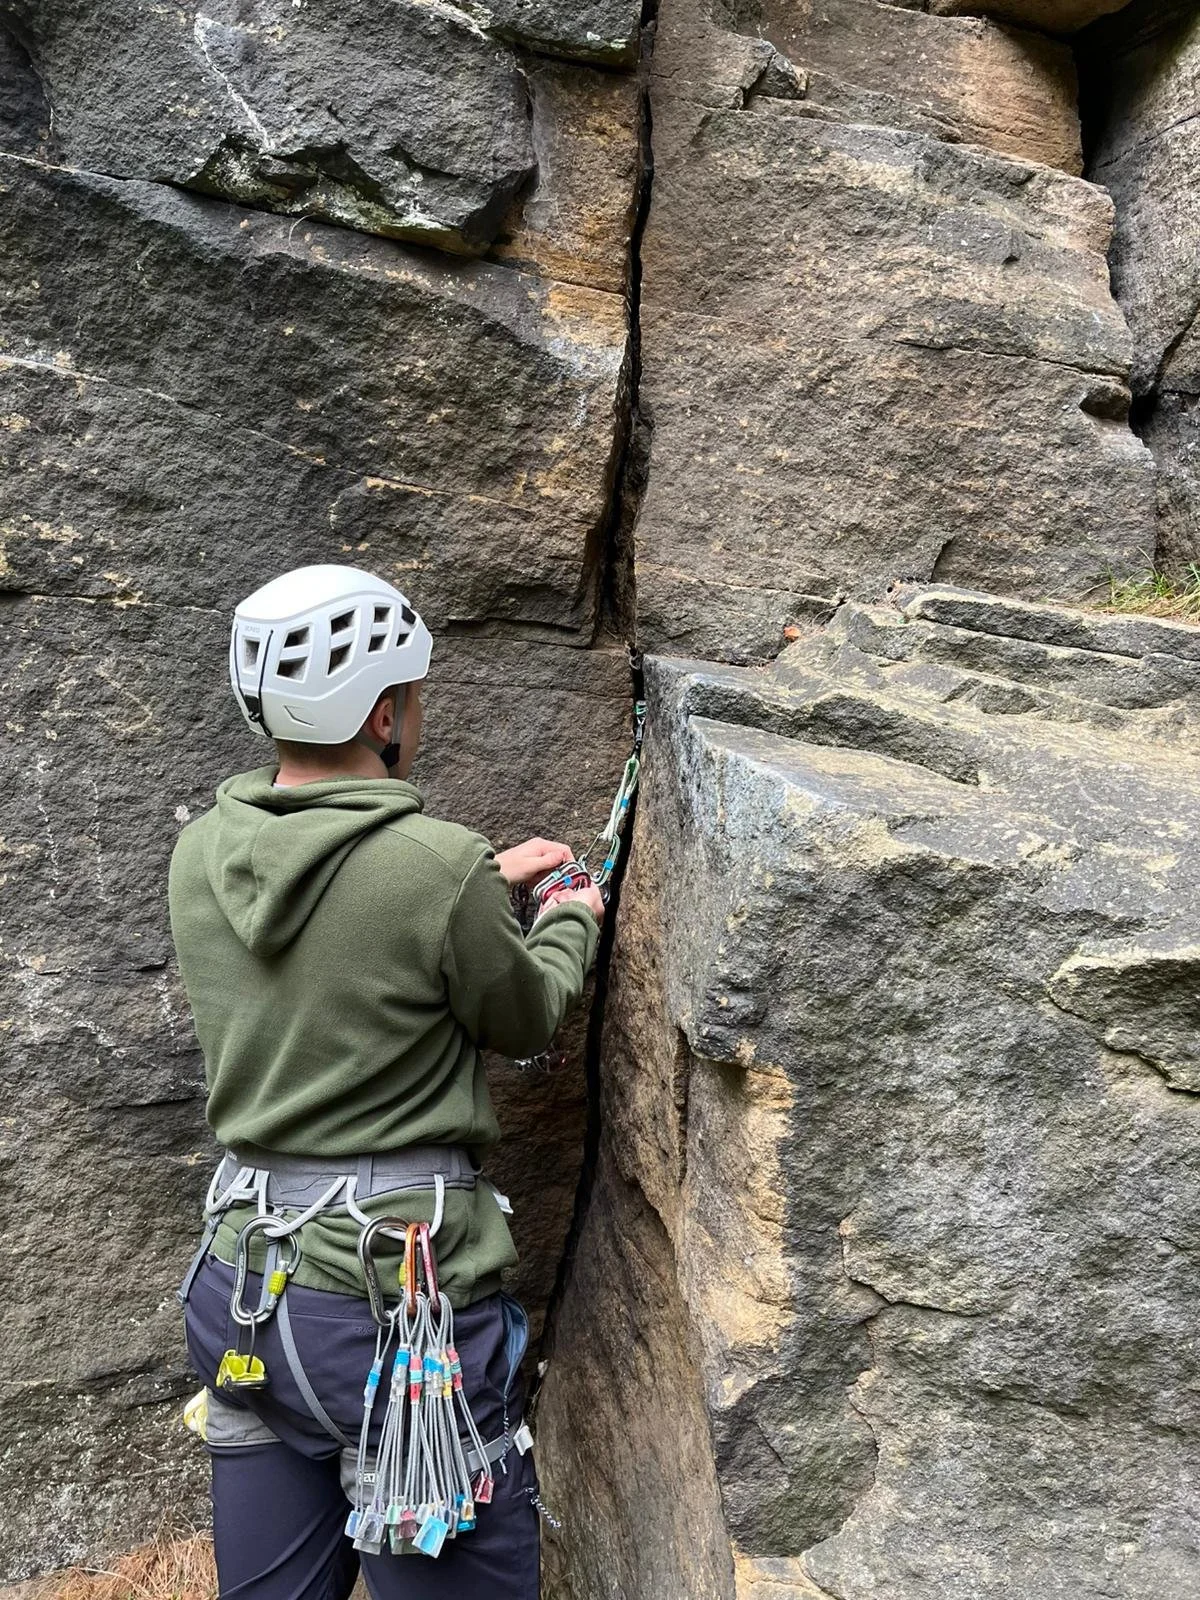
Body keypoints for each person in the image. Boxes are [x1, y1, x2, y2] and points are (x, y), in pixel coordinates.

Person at [168, 564, 604, 1600]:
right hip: (387, 1304)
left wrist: (466, 895)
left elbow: (332, 953)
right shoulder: (436, 865)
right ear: (379, 709)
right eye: (411, 691)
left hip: (245, 1289)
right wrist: (569, 913)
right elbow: (523, 1013)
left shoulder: (201, 853)